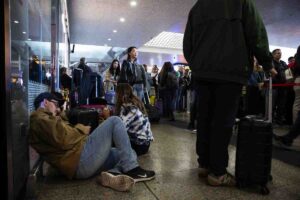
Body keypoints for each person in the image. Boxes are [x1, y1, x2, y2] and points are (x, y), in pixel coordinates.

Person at [183, 0, 277, 187]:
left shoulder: (198, 6)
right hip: (230, 71)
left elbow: (188, 44)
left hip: (203, 73)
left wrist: (198, 65)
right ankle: (217, 172)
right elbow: (256, 33)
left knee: (204, 118)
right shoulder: (241, 2)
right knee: (222, 121)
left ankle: (204, 164)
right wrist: (267, 63)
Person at [29, 92, 155, 192]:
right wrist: (82, 129)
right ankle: (132, 170)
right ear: (45, 102)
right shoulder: (39, 118)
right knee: (115, 121)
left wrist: (60, 116)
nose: (57, 108)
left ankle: (113, 174)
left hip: (81, 158)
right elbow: (64, 139)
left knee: (127, 152)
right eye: (56, 104)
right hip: (80, 160)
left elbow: (62, 137)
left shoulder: (47, 119)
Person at [115, 83, 154, 156]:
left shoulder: (128, 108)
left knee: (111, 141)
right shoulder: (135, 103)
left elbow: (119, 129)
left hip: (139, 146)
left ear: (120, 95)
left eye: (116, 94)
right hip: (145, 144)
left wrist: (108, 118)